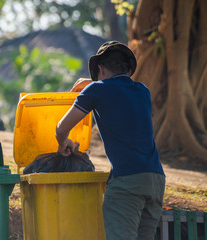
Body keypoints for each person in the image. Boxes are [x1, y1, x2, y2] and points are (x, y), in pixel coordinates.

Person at [55, 41, 165, 240]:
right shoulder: (143, 91)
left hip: (127, 181)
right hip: (155, 180)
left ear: (99, 68)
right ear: (129, 70)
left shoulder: (96, 90)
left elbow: (61, 128)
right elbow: (116, 91)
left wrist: (64, 142)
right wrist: (91, 84)